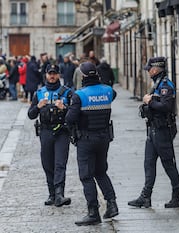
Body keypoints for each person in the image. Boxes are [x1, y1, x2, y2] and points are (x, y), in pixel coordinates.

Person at [65, 61, 118, 226]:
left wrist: (68, 106)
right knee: (101, 172)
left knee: (86, 176)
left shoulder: (79, 95)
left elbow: (70, 119)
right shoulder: (108, 91)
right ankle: (112, 204)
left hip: (86, 140)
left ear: (83, 76)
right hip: (104, 138)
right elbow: (113, 95)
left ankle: (93, 212)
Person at [128, 56, 179, 209]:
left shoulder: (166, 85)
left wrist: (149, 101)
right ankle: (145, 197)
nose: (148, 72)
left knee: (168, 164)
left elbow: (166, 107)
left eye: (149, 69)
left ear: (156, 69)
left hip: (163, 130)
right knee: (149, 163)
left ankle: (177, 196)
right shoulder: (157, 84)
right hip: (153, 130)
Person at [28, 64, 73, 207]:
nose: (52, 76)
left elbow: (75, 114)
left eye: (54, 73)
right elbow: (30, 114)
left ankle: (60, 194)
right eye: (50, 73)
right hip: (46, 132)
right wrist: (38, 106)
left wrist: (64, 108)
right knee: (47, 163)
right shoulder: (39, 93)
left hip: (62, 132)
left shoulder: (68, 92)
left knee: (60, 163)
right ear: (46, 75)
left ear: (59, 75)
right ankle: (52, 194)